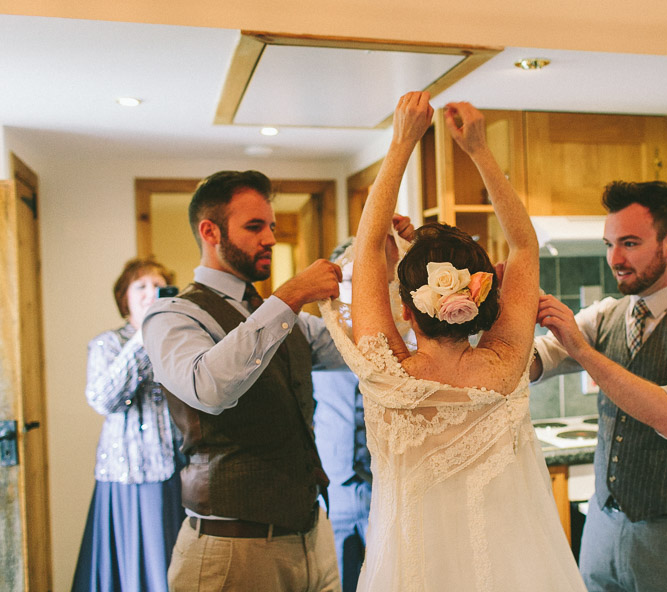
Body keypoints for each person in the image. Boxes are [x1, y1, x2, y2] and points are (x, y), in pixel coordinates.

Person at [319, 91, 587, 592]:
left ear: (405, 308)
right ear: (485, 300)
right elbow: (524, 244)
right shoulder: (506, 365)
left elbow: (367, 248)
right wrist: (480, 150)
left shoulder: (385, 373)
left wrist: (401, 144)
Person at [530, 180, 667, 592]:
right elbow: (537, 360)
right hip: (602, 528)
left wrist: (583, 350)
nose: (614, 258)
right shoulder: (607, 314)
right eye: (609, 243)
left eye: (629, 243)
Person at [142, 170, 345, 591]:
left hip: (313, 538)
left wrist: (394, 262)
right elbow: (210, 388)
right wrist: (288, 297)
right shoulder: (172, 316)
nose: (270, 238)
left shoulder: (287, 323)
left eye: (271, 226)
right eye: (255, 227)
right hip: (231, 551)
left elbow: (361, 350)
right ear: (210, 231)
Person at [72, 257, 185, 592]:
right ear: (125, 297)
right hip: (130, 475)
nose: (151, 292)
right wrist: (142, 337)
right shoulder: (109, 344)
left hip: (179, 471)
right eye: (142, 286)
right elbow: (103, 399)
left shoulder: (177, 341)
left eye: (158, 285)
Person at [310, 236, 416, 592]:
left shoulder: (410, 342)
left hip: (390, 495)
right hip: (336, 494)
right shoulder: (319, 337)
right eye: (354, 279)